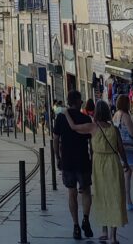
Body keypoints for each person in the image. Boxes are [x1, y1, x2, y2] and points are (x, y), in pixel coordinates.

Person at [65, 99, 128, 244]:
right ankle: (112, 236)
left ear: (96, 113)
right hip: (113, 163)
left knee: (102, 196)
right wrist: (126, 163)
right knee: (114, 196)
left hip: (99, 165)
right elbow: (121, 149)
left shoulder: (92, 127)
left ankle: (105, 232)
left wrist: (66, 113)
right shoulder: (114, 129)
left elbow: (73, 127)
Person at [54, 90, 95, 240]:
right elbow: (92, 143)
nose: (82, 103)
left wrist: (57, 157)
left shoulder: (60, 118)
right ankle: (85, 218)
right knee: (86, 191)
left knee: (71, 193)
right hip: (83, 160)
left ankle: (76, 226)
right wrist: (93, 158)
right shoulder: (86, 118)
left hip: (68, 161)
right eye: (80, 101)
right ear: (77, 102)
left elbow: (55, 139)